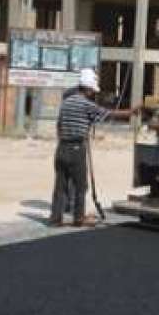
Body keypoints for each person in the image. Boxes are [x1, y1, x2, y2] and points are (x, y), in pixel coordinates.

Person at [48, 69, 133, 228]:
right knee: (81, 186)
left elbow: (59, 125)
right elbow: (108, 114)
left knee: (60, 186)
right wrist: (131, 112)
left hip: (61, 148)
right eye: (92, 91)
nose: (93, 94)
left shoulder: (66, 102)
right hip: (76, 149)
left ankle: (55, 218)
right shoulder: (86, 104)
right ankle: (79, 218)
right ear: (87, 89)